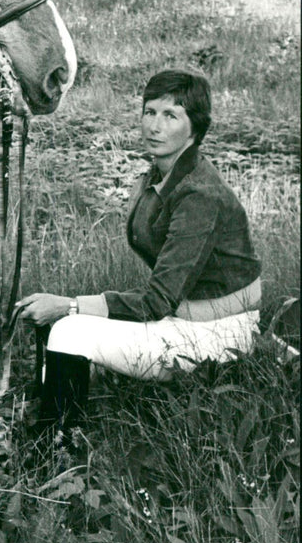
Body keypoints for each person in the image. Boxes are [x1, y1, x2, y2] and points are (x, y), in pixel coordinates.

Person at [15, 69, 261, 437]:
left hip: (217, 332)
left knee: (69, 331)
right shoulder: (160, 175)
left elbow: (156, 302)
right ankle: (44, 417)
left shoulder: (199, 196)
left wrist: (69, 304)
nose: (154, 126)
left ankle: (54, 451)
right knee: (57, 325)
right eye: (149, 111)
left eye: (170, 115)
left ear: (195, 128)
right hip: (185, 315)